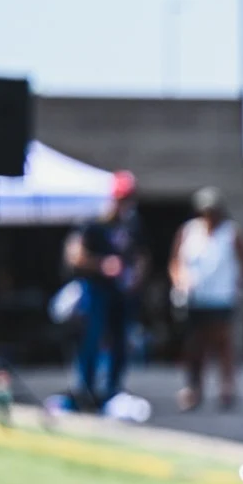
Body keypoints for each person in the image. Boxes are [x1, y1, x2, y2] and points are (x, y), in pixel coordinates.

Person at [170, 187, 243, 412]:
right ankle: (193, 388)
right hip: (195, 298)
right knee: (194, 345)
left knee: (223, 343)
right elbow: (176, 262)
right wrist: (180, 280)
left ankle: (226, 388)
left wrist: (240, 283)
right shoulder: (189, 231)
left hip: (222, 298)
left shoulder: (230, 232)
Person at [64, 171, 145, 408]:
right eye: (122, 198)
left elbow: (141, 255)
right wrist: (101, 265)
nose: (125, 204)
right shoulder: (94, 222)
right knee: (92, 337)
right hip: (96, 288)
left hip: (122, 292)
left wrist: (136, 275)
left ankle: (112, 388)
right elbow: (75, 256)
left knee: (121, 340)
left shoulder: (132, 224)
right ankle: (84, 388)